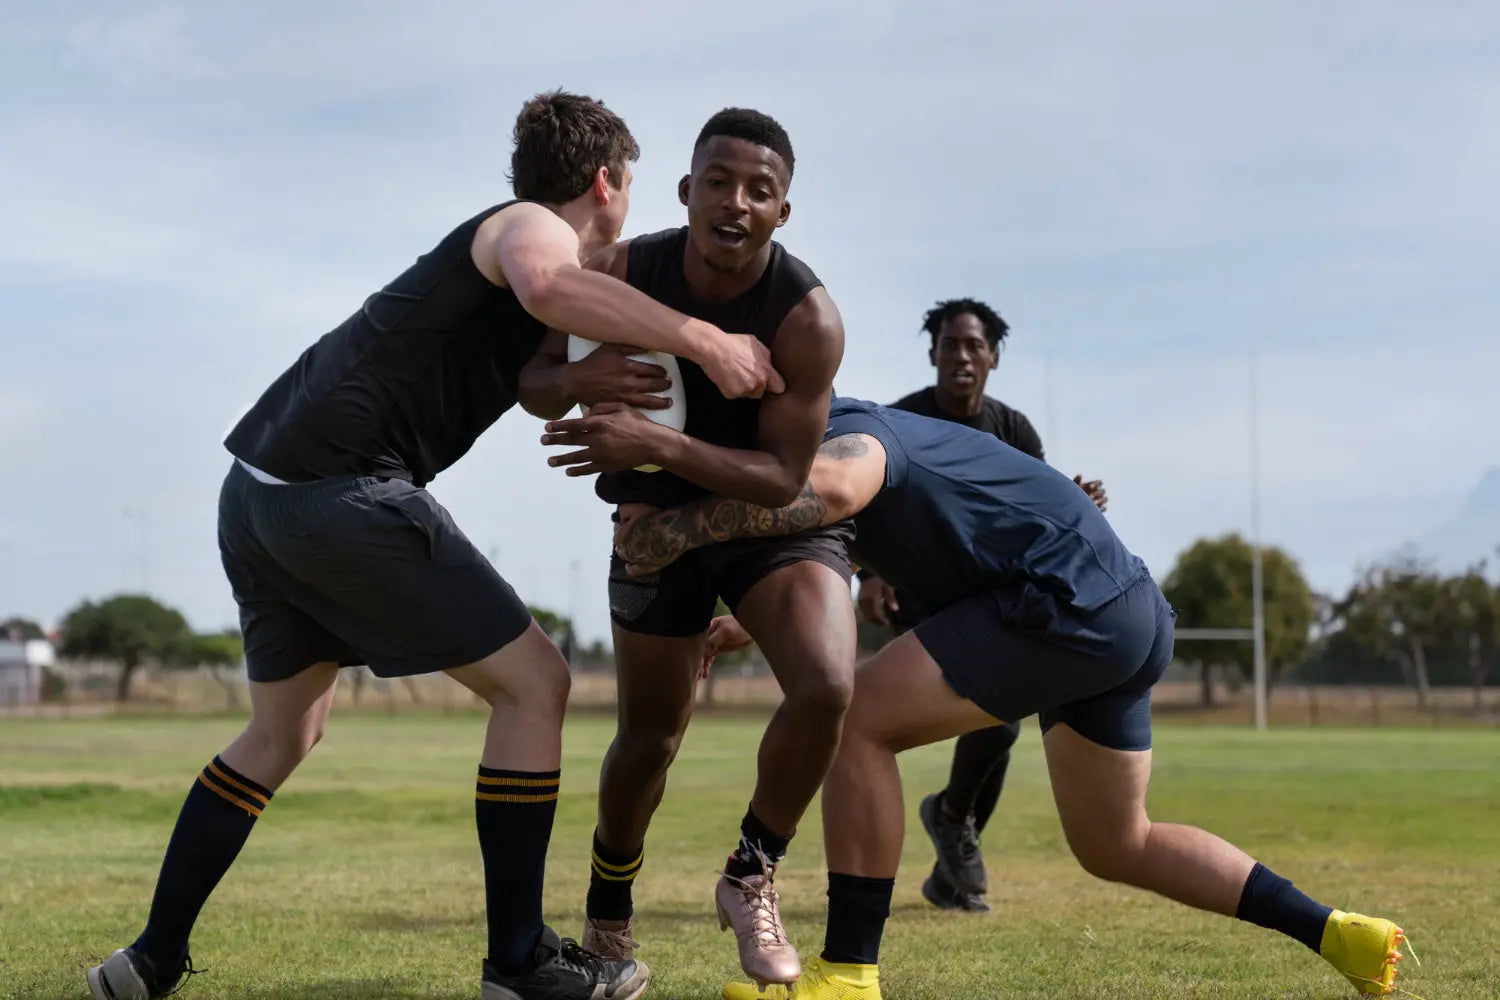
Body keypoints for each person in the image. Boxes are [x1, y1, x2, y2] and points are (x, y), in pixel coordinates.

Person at [85, 90, 782, 1000]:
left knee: (284, 728)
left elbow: (529, 379)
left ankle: (147, 963)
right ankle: (518, 963)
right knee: (537, 684)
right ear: (607, 182)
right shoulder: (528, 227)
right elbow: (545, 282)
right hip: (340, 488)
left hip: (258, 492)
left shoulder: (505, 263)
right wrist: (704, 339)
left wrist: (576, 377)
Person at [611, 397, 1407, 1000]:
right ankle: (1338, 933)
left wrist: (679, 529)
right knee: (1115, 843)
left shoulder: (849, 430)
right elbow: (835, 555)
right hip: (1122, 610)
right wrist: (747, 626)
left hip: (1063, 604)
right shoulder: (875, 439)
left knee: (852, 721)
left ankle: (848, 974)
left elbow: (839, 486)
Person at [520, 108, 852, 989]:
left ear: (784, 212)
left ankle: (752, 872)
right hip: (654, 533)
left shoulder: (807, 318)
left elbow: (785, 478)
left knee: (826, 685)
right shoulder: (622, 268)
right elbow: (532, 381)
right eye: (718, 181)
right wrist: (576, 381)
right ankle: (609, 917)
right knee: (649, 740)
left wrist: (659, 444)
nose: (735, 202)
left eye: (760, 190)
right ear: (686, 191)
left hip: (761, 525)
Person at [860, 297, 1107, 913]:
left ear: (993, 357)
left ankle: (950, 859)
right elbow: (861, 502)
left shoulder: (1014, 431)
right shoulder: (905, 421)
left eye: (974, 346)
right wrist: (866, 574)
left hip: (991, 594)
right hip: (920, 591)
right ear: (933, 354)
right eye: (950, 344)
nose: (961, 356)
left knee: (1000, 722)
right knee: (996, 719)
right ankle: (950, 819)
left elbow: (1040, 515)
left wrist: (1073, 504)